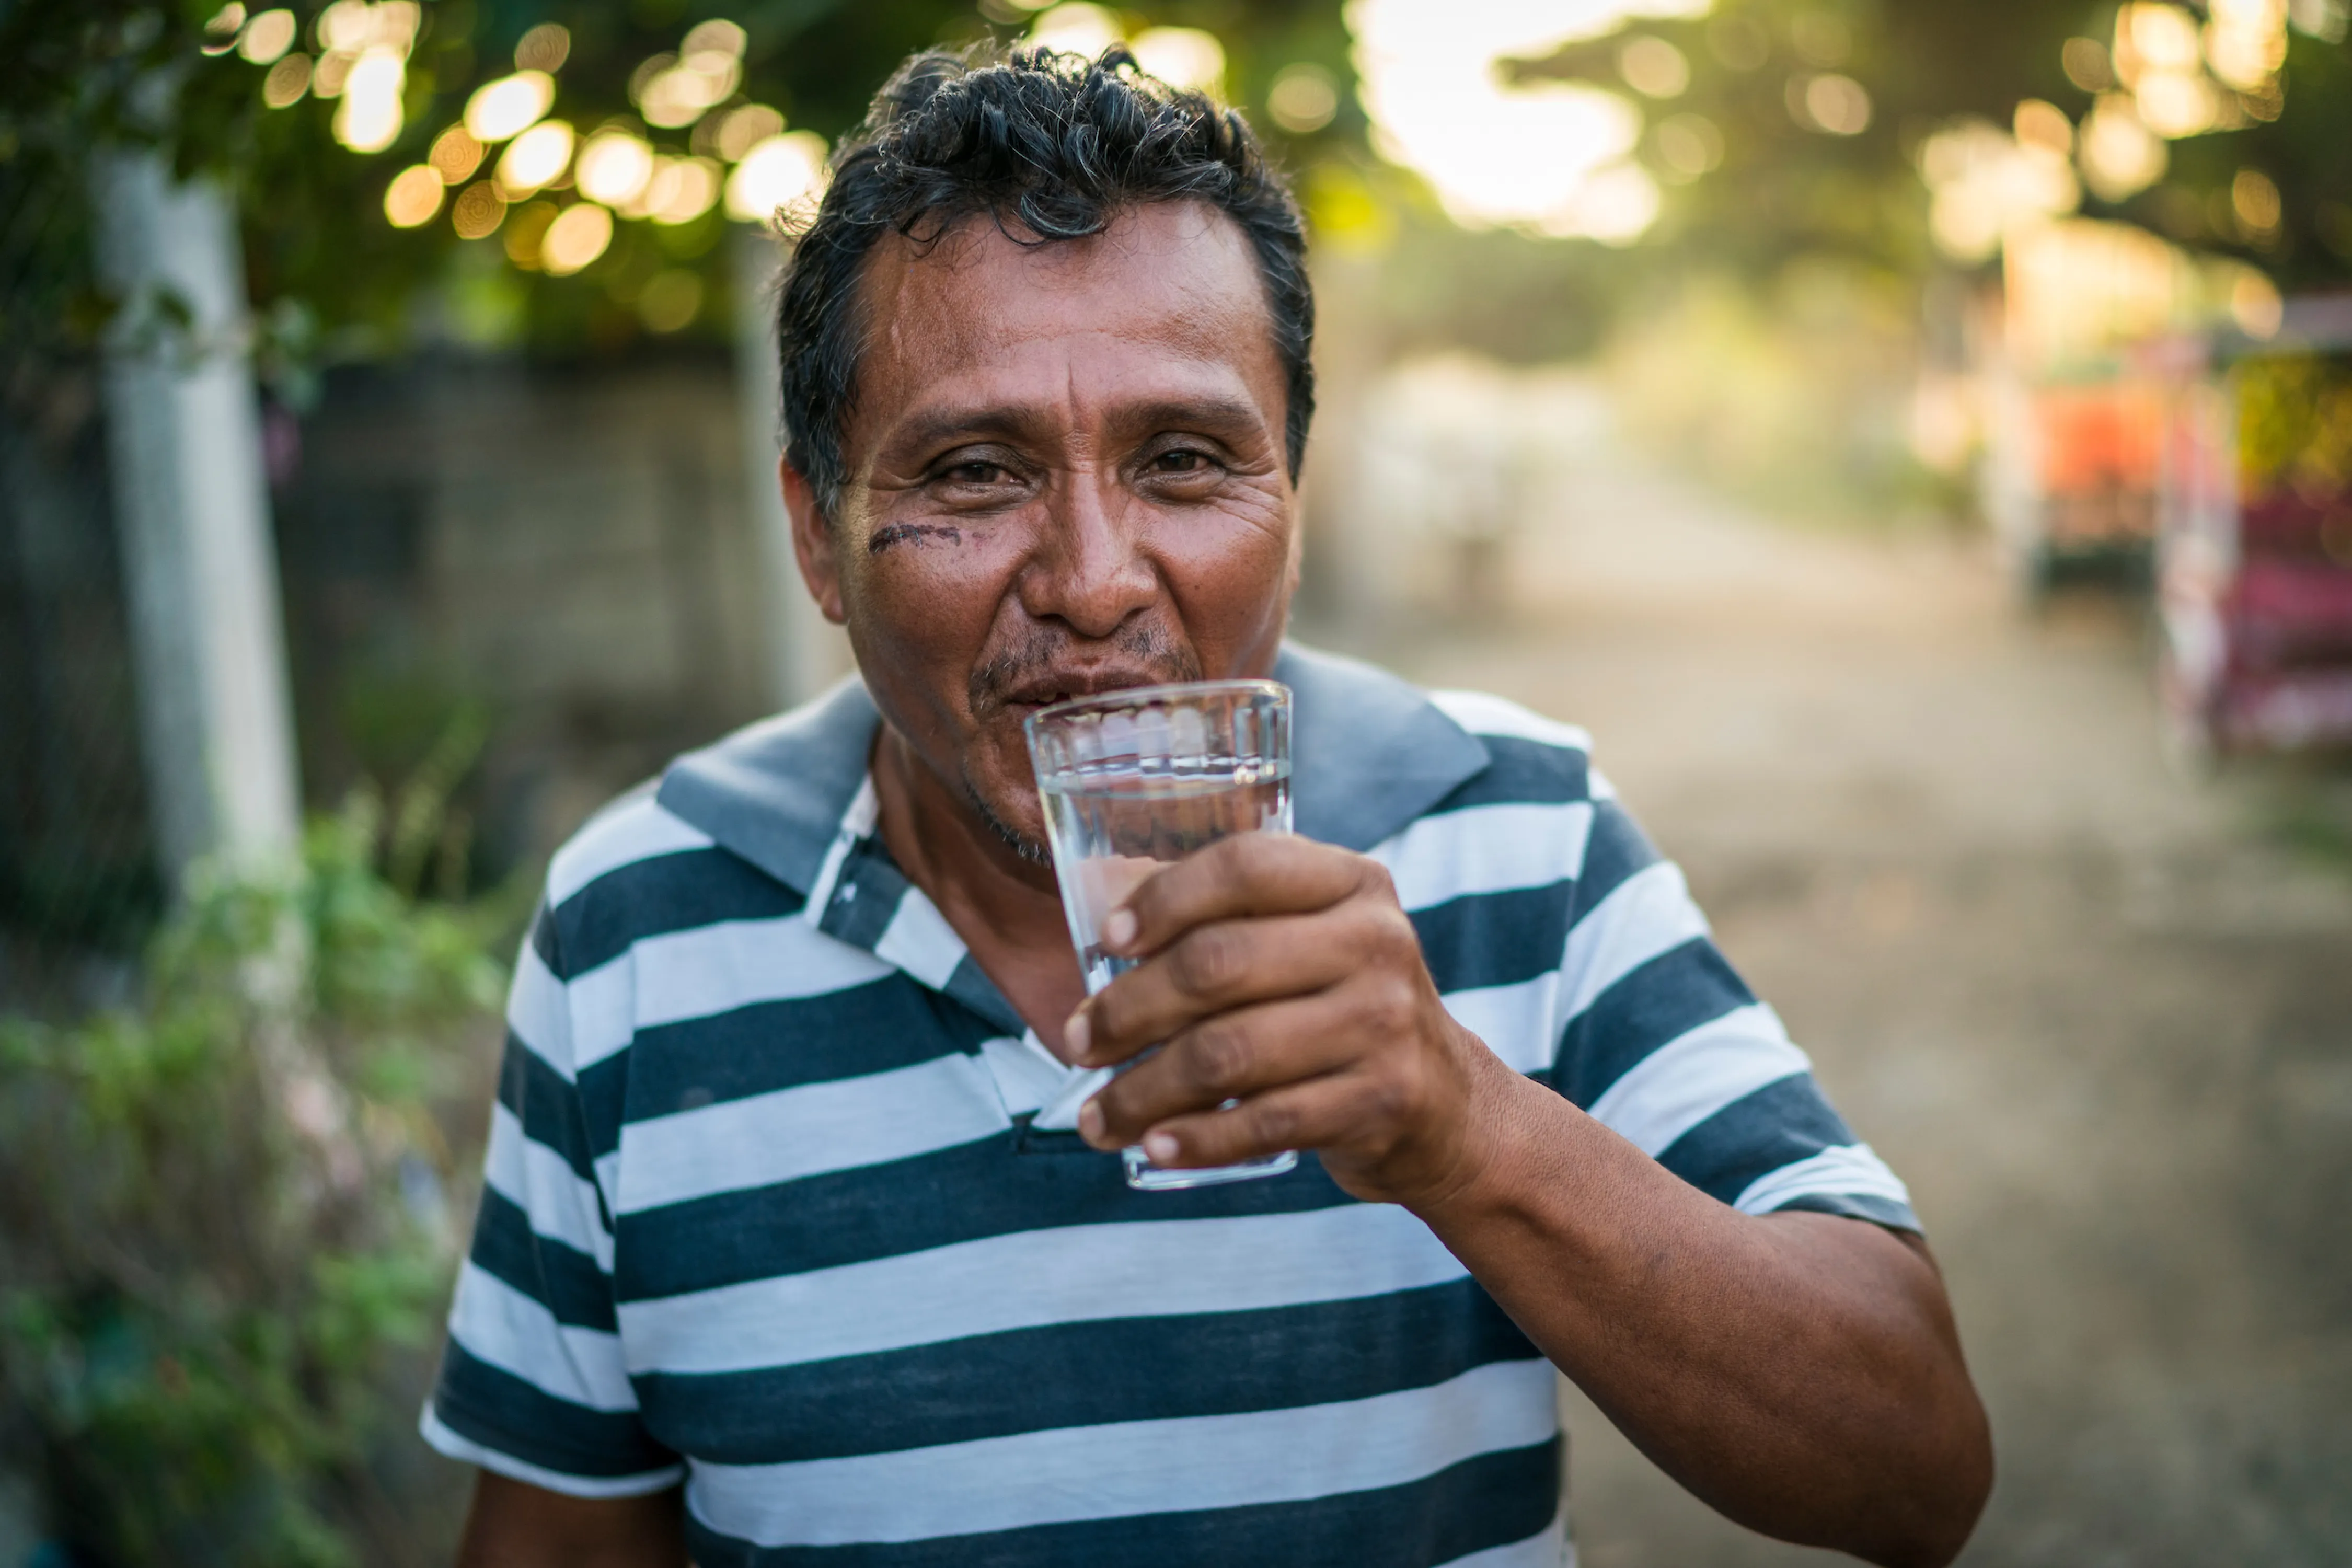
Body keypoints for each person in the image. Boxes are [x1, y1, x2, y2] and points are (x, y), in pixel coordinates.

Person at [421, 44, 1992, 1568]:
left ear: (1291, 504)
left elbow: (1913, 1472)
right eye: (971, 472)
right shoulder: (639, 926)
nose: (1095, 582)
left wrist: (1462, 1124)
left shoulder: (1512, 829)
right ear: (818, 539)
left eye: (1183, 460)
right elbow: (558, 1536)